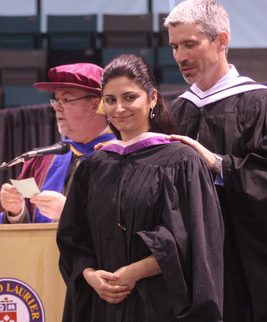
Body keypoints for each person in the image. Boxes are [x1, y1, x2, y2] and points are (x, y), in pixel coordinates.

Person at [57, 53, 224, 322]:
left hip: (158, 305)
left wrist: (135, 272)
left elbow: (193, 240)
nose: (119, 108)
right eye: (110, 100)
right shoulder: (94, 166)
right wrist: (89, 275)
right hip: (102, 307)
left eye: (129, 97)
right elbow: (73, 238)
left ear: (153, 98)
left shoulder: (181, 161)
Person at [164, 0, 267, 322]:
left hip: (244, 263)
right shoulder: (173, 113)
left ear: (221, 40)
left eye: (190, 44)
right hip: (187, 265)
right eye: (174, 47)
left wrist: (219, 165)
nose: (180, 57)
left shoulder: (259, 104)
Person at [0, 63, 116, 224]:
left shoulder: (122, 159)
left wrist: (69, 213)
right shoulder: (43, 159)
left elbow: (125, 225)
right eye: (56, 100)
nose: (57, 108)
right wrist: (15, 212)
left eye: (66, 100)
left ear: (95, 105)